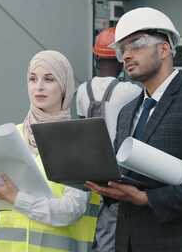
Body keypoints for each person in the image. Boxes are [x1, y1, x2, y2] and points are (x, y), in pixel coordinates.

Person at [85, 7, 182, 252]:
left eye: (136, 45)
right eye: (122, 50)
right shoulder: (127, 111)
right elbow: (120, 174)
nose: (126, 57)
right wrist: (99, 181)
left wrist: (146, 199)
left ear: (164, 48)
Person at [0, 50, 100, 252]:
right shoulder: (11, 136)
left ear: (64, 86)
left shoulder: (78, 141)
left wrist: (17, 199)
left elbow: (70, 211)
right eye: (32, 79)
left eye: (49, 79)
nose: (39, 87)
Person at [76, 28, 141, 252]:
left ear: (96, 58)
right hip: (117, 172)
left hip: (89, 169)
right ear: (121, 58)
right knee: (111, 228)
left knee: (93, 224)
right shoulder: (130, 91)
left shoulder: (82, 90)